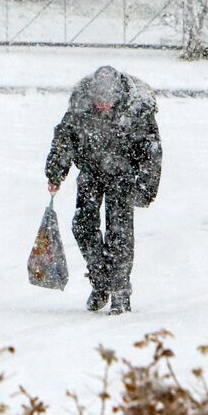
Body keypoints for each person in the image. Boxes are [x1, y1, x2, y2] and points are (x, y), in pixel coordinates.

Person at [45, 65, 162, 315]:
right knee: (82, 225)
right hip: (91, 170)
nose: (103, 106)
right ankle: (100, 280)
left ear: (118, 96)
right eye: (99, 101)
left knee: (119, 232)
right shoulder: (80, 106)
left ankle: (120, 291)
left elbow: (152, 152)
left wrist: (146, 187)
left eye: (108, 101)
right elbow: (65, 139)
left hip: (123, 175)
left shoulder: (137, 109)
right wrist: (56, 172)